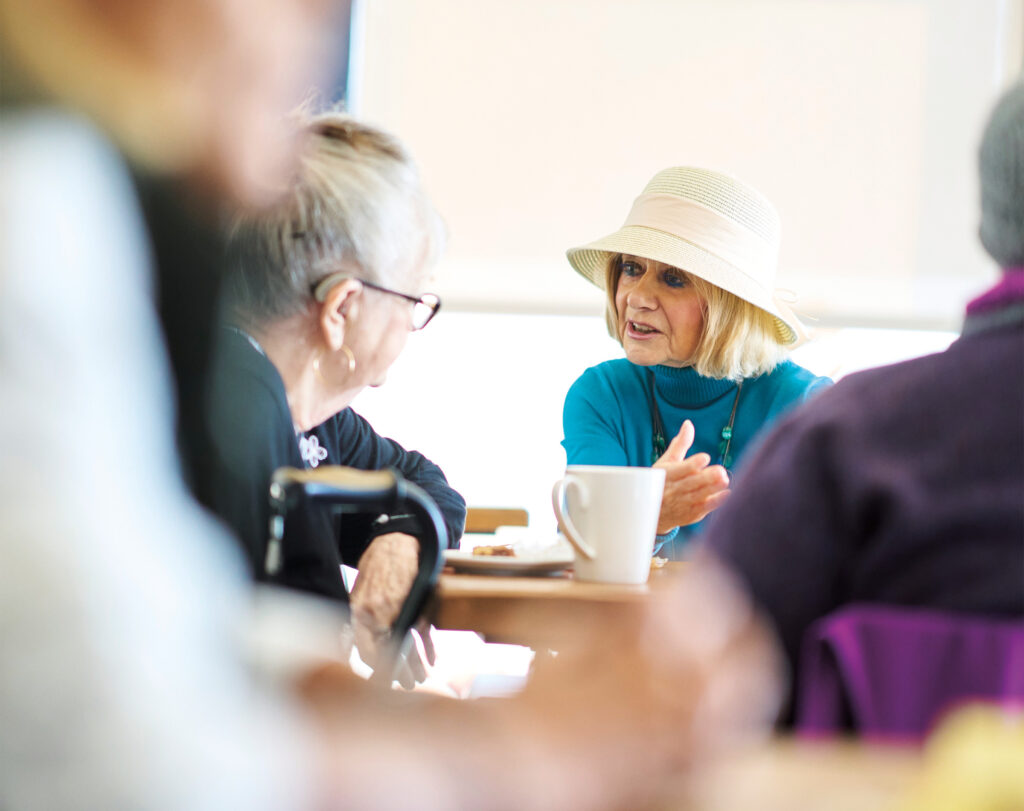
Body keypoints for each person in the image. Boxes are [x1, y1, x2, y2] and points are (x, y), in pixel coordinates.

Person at [0, 0, 781, 807]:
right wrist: (519, 746)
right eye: (411, 298)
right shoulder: (39, 224)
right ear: (341, 309)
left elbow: (172, 625)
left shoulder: (280, 399)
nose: (317, 36)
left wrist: (371, 598)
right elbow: (119, 750)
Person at [700, 79, 1024, 719]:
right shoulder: (837, 436)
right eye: (629, 270)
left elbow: (700, 683)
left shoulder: (845, 436)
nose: (639, 296)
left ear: (993, 225)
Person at [205, 114, 465, 673]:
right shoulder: (233, 416)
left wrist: (400, 540)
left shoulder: (317, 422)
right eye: (412, 299)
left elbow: (428, 486)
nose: (410, 322)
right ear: (343, 309)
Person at [562, 167, 831, 558]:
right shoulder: (601, 395)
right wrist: (650, 517)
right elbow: (576, 551)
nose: (637, 296)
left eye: (673, 279)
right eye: (631, 268)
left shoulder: (803, 406)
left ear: (729, 307)